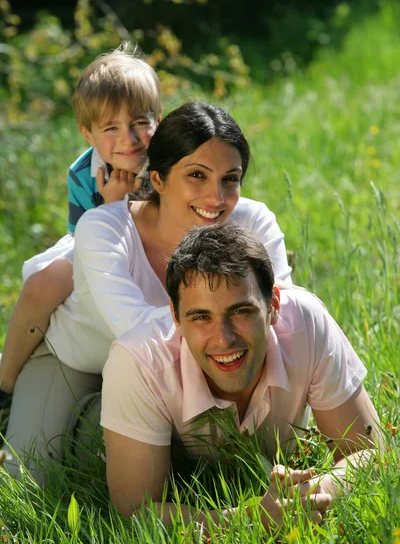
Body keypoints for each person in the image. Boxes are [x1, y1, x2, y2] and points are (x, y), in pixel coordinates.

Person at [3, 101, 292, 484]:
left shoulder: (253, 220)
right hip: (75, 361)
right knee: (26, 481)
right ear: (157, 179)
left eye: (231, 179)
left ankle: (95, 425)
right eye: (197, 175)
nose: (217, 198)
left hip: (168, 369)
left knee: (206, 471)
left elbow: (284, 310)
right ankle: (39, 412)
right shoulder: (104, 227)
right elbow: (137, 332)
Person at [101, 222, 382, 531]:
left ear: (273, 305)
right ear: (176, 318)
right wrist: (249, 520)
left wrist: (310, 498)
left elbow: (370, 452)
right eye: (201, 317)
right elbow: (135, 511)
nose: (223, 339)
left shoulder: (306, 323)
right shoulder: (137, 360)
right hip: (105, 410)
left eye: (240, 312)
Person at [0, 43, 162, 398]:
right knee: (42, 285)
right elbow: (87, 243)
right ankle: (6, 382)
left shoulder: (169, 163)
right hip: (97, 246)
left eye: (139, 123)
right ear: (87, 134)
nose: (129, 140)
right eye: (111, 129)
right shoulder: (83, 172)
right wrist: (112, 206)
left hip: (157, 245)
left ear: (158, 121)